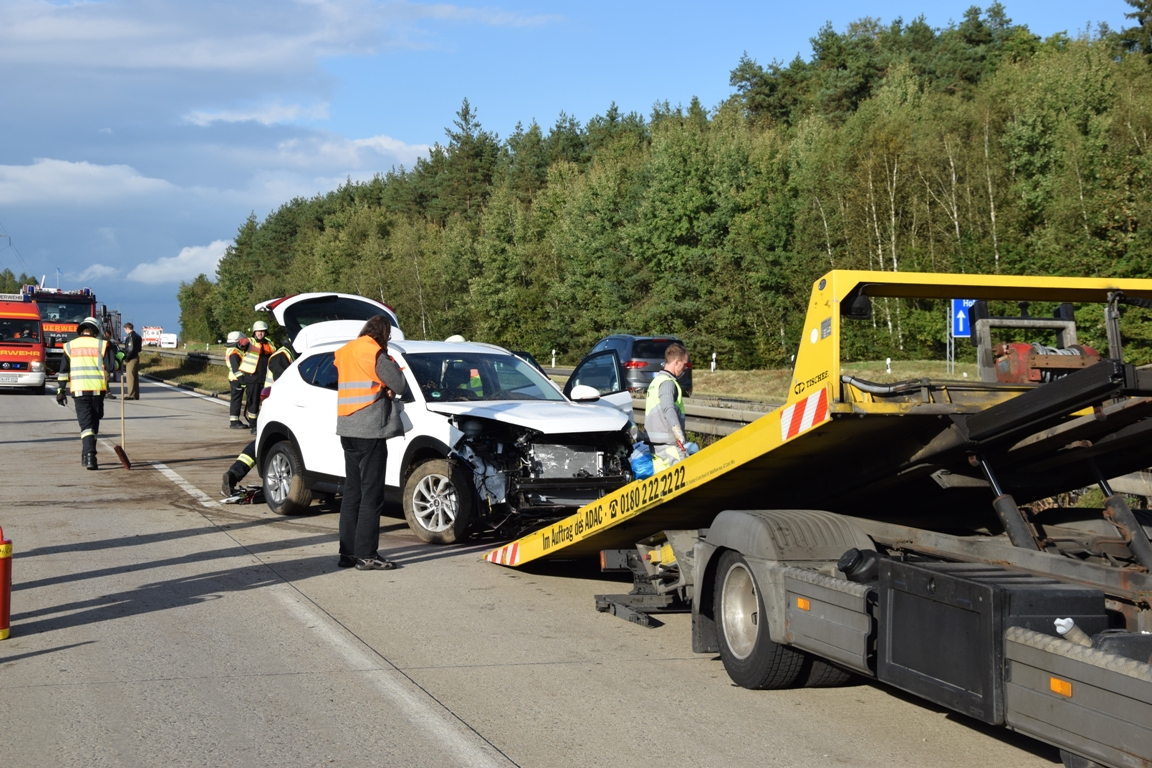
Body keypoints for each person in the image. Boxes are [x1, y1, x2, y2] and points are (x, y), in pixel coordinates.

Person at [334, 315, 406, 570]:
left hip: (347, 428)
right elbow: (400, 385)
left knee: (352, 493)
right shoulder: (375, 353)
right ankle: (367, 555)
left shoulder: (346, 351)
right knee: (372, 495)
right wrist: (389, 386)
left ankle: (348, 553)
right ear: (384, 333)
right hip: (370, 431)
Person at [220, 341, 295, 497]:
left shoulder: (283, 353)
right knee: (275, 444)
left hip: (274, 405)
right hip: (282, 406)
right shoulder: (282, 356)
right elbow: (288, 383)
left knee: (260, 444)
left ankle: (234, 473)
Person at [56, 316, 117, 470]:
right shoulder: (103, 345)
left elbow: (63, 371)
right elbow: (112, 367)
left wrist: (60, 390)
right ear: (96, 331)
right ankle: (90, 454)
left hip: (79, 391)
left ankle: (87, 455)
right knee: (93, 423)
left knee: (86, 424)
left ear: (81, 330)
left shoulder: (70, 346)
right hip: (97, 391)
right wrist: (120, 357)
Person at [645, 342, 690, 472]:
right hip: (669, 442)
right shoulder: (667, 383)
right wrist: (678, 434)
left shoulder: (655, 381)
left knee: (663, 485)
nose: (685, 368)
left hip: (656, 444)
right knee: (683, 478)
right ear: (676, 362)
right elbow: (668, 409)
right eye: (684, 364)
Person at [241, 320, 274, 432]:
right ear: (254, 332)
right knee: (253, 403)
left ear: (265, 332)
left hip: (266, 379)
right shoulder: (250, 342)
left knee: (266, 403)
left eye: (262, 331)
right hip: (252, 378)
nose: (260, 333)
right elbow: (242, 343)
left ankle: (263, 424)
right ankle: (253, 426)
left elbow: (274, 352)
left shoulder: (269, 343)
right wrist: (242, 342)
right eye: (258, 331)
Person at [225, 331, 249, 428]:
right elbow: (236, 369)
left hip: (234, 378)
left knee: (236, 399)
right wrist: (242, 380)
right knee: (236, 400)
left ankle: (234, 420)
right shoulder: (234, 352)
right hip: (237, 379)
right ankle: (234, 422)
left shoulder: (231, 350)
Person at [121, 322, 142, 399]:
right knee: (135, 377)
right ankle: (136, 395)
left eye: (125, 330)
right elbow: (139, 349)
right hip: (136, 356)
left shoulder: (130, 337)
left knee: (130, 377)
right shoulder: (138, 336)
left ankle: (130, 395)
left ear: (127, 328)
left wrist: (127, 358)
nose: (125, 331)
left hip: (131, 358)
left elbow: (130, 349)